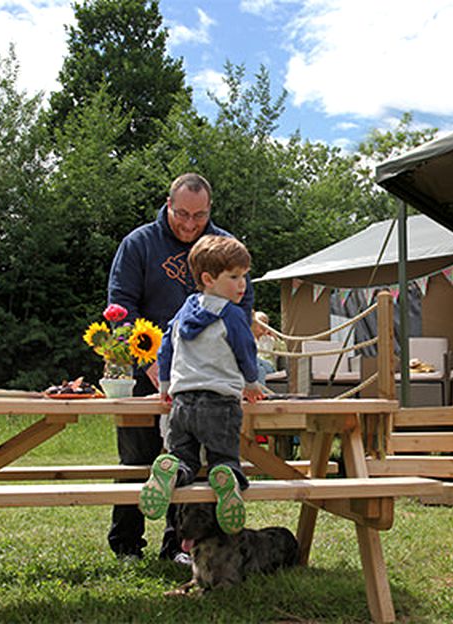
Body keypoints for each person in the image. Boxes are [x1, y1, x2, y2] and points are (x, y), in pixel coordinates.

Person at [107, 172, 254, 565]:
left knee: (193, 462)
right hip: (149, 373)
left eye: (200, 216)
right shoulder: (139, 244)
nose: (190, 224)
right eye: (183, 214)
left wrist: (240, 370)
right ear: (168, 204)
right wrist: (147, 360)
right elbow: (120, 307)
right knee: (138, 459)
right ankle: (127, 545)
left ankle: (178, 546)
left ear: (210, 210)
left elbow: (243, 308)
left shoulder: (223, 246)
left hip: (208, 381)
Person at [142, 235, 267, 535]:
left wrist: (165, 386)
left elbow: (165, 349)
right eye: (234, 277)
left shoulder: (185, 310)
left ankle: (172, 473)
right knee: (224, 458)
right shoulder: (232, 314)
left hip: (182, 402)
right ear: (208, 279)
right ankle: (227, 477)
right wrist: (251, 383)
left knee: (183, 458)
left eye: (244, 276)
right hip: (220, 403)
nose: (242, 285)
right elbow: (246, 350)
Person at [252, 311, 278, 376]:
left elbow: (285, 350)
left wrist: (275, 338)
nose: (264, 325)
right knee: (259, 369)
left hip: (269, 366)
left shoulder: (270, 338)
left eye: (265, 323)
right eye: (261, 322)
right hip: (255, 367)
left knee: (256, 362)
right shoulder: (248, 337)